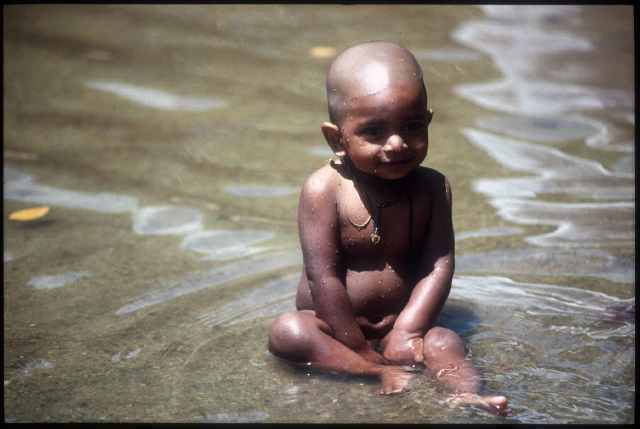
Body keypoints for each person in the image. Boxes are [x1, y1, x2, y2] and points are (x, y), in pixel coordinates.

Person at [268, 41, 508, 415]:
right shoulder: (323, 190)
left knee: (443, 341)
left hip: (405, 326)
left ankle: (467, 392)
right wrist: (358, 346)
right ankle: (368, 370)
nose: (397, 143)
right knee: (288, 333)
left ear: (428, 122)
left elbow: (438, 264)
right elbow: (323, 277)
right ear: (337, 138)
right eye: (374, 132)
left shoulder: (432, 187)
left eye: (412, 127)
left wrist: (408, 330)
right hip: (335, 329)